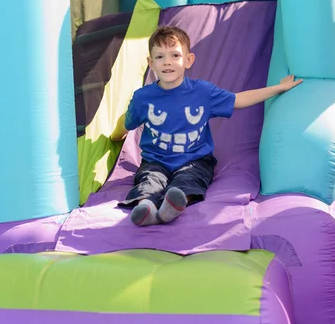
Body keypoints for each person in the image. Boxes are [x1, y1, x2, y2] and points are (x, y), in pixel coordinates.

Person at [110, 25, 302, 226]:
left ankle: (172, 207)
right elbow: (128, 122)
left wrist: (278, 88)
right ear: (151, 63)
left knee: (188, 180)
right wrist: (116, 136)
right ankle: (146, 207)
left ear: (188, 60)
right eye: (159, 57)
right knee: (149, 180)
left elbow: (238, 100)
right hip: (155, 160)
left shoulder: (202, 92)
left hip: (195, 160)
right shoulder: (143, 98)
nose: (167, 62)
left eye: (175, 55)